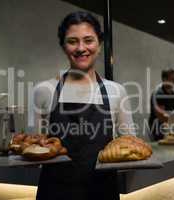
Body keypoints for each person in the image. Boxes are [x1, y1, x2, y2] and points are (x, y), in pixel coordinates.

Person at [33, 11, 135, 200]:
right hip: (54, 192)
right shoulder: (44, 91)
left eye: (88, 40)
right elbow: (38, 147)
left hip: (103, 192)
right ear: (63, 46)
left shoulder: (116, 91)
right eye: (72, 41)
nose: (81, 48)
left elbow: (129, 144)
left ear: (99, 44)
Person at [148, 69, 174, 141]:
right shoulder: (159, 94)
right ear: (165, 79)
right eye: (172, 79)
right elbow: (161, 115)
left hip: (171, 129)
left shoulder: (173, 94)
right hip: (159, 130)